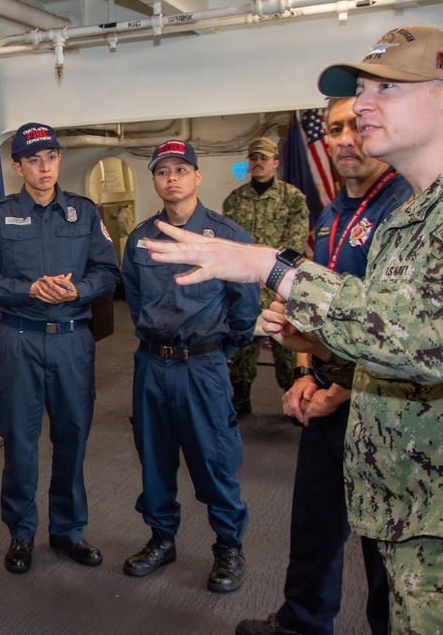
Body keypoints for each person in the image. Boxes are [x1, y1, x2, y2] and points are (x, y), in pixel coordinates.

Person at [143, 26, 443, 633]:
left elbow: (434, 339)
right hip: (415, 503)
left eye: (387, 87)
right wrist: (314, 354)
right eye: (362, 88)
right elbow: (387, 334)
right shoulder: (416, 215)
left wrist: (269, 265)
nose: (364, 105)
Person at [236, 97, 411, 635]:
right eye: (335, 127)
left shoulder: (405, 207)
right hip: (329, 399)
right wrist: (310, 369)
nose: (345, 139)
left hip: (385, 412)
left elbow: (404, 332)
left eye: (358, 126)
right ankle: (302, 624)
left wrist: (347, 389)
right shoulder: (334, 213)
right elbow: (322, 312)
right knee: (314, 527)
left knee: (385, 543)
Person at [0, 123, 119, 574]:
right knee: (20, 443)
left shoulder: (84, 213)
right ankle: (20, 534)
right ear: (18, 166)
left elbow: (108, 272)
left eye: (51, 157)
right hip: (21, 341)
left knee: (72, 437)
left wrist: (79, 292)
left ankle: (68, 530)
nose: (44, 167)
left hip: (74, 340)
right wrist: (28, 288)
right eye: (33, 160)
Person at [121, 140, 260, 593]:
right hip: (151, 366)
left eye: (182, 169)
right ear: (156, 180)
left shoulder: (228, 236)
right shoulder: (142, 239)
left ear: (198, 176)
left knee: (214, 460)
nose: (172, 178)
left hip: (202, 366)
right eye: (163, 171)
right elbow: (135, 300)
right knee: (154, 459)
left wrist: (219, 354)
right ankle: (162, 538)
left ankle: (228, 546)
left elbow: (244, 311)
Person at [222, 137, 309, 416]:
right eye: (253, 158)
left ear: (275, 162)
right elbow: (230, 243)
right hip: (246, 283)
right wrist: (249, 270)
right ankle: (242, 395)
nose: (257, 162)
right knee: (243, 338)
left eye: (263, 158)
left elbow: (295, 244)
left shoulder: (292, 198)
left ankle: (291, 394)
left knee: (286, 341)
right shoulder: (235, 200)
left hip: (279, 284)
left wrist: (270, 271)